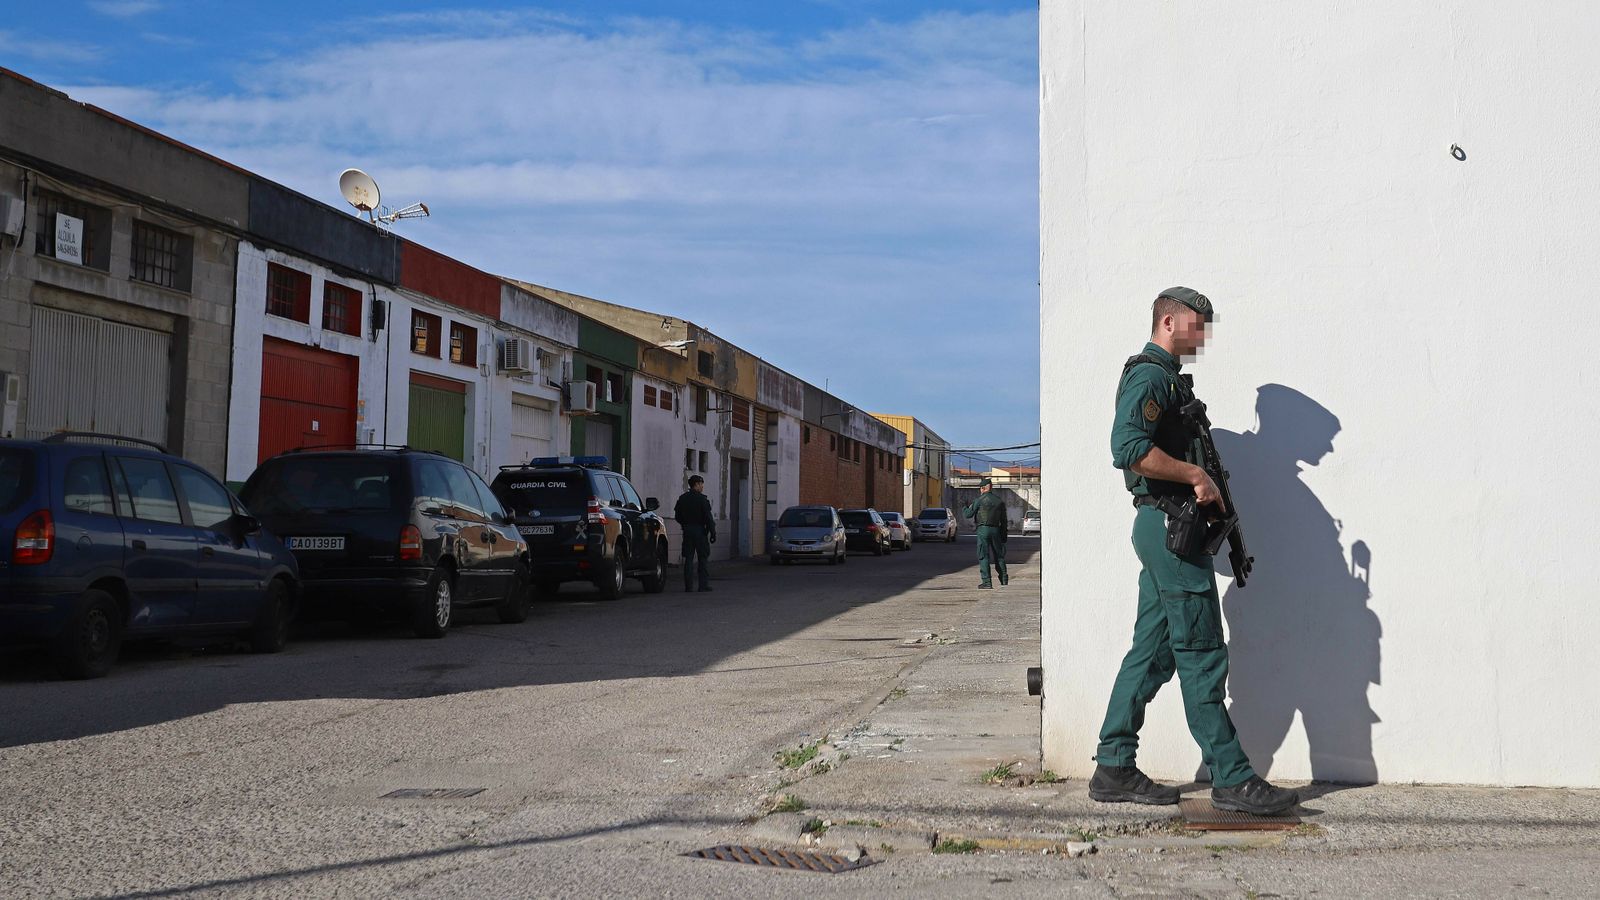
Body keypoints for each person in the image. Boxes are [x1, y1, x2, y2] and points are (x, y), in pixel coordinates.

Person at [1090, 286, 1299, 817]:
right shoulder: (1151, 375)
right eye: (1196, 325)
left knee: (1154, 652)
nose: (1203, 336)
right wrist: (1195, 474)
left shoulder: (1168, 380)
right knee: (1202, 652)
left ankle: (1113, 764)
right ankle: (1231, 777)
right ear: (1167, 322)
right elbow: (1127, 449)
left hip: (1166, 533)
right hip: (1170, 530)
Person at [962, 477, 1008, 589]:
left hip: (983, 530)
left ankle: (987, 582)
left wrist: (964, 507)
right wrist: (1003, 536)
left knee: (983, 555)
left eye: (980, 488)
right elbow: (1004, 521)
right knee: (999, 556)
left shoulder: (978, 500)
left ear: (983, 488)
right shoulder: (999, 501)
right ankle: (1004, 579)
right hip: (996, 530)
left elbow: (968, 514)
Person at [673, 474, 717, 592]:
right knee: (702, 558)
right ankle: (703, 585)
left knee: (688, 558)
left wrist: (685, 525)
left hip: (687, 530)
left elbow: (677, 516)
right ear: (696, 484)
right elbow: (708, 518)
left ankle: (688, 586)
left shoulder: (683, 498)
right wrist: (712, 533)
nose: (702, 486)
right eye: (701, 484)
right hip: (700, 531)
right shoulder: (702, 500)